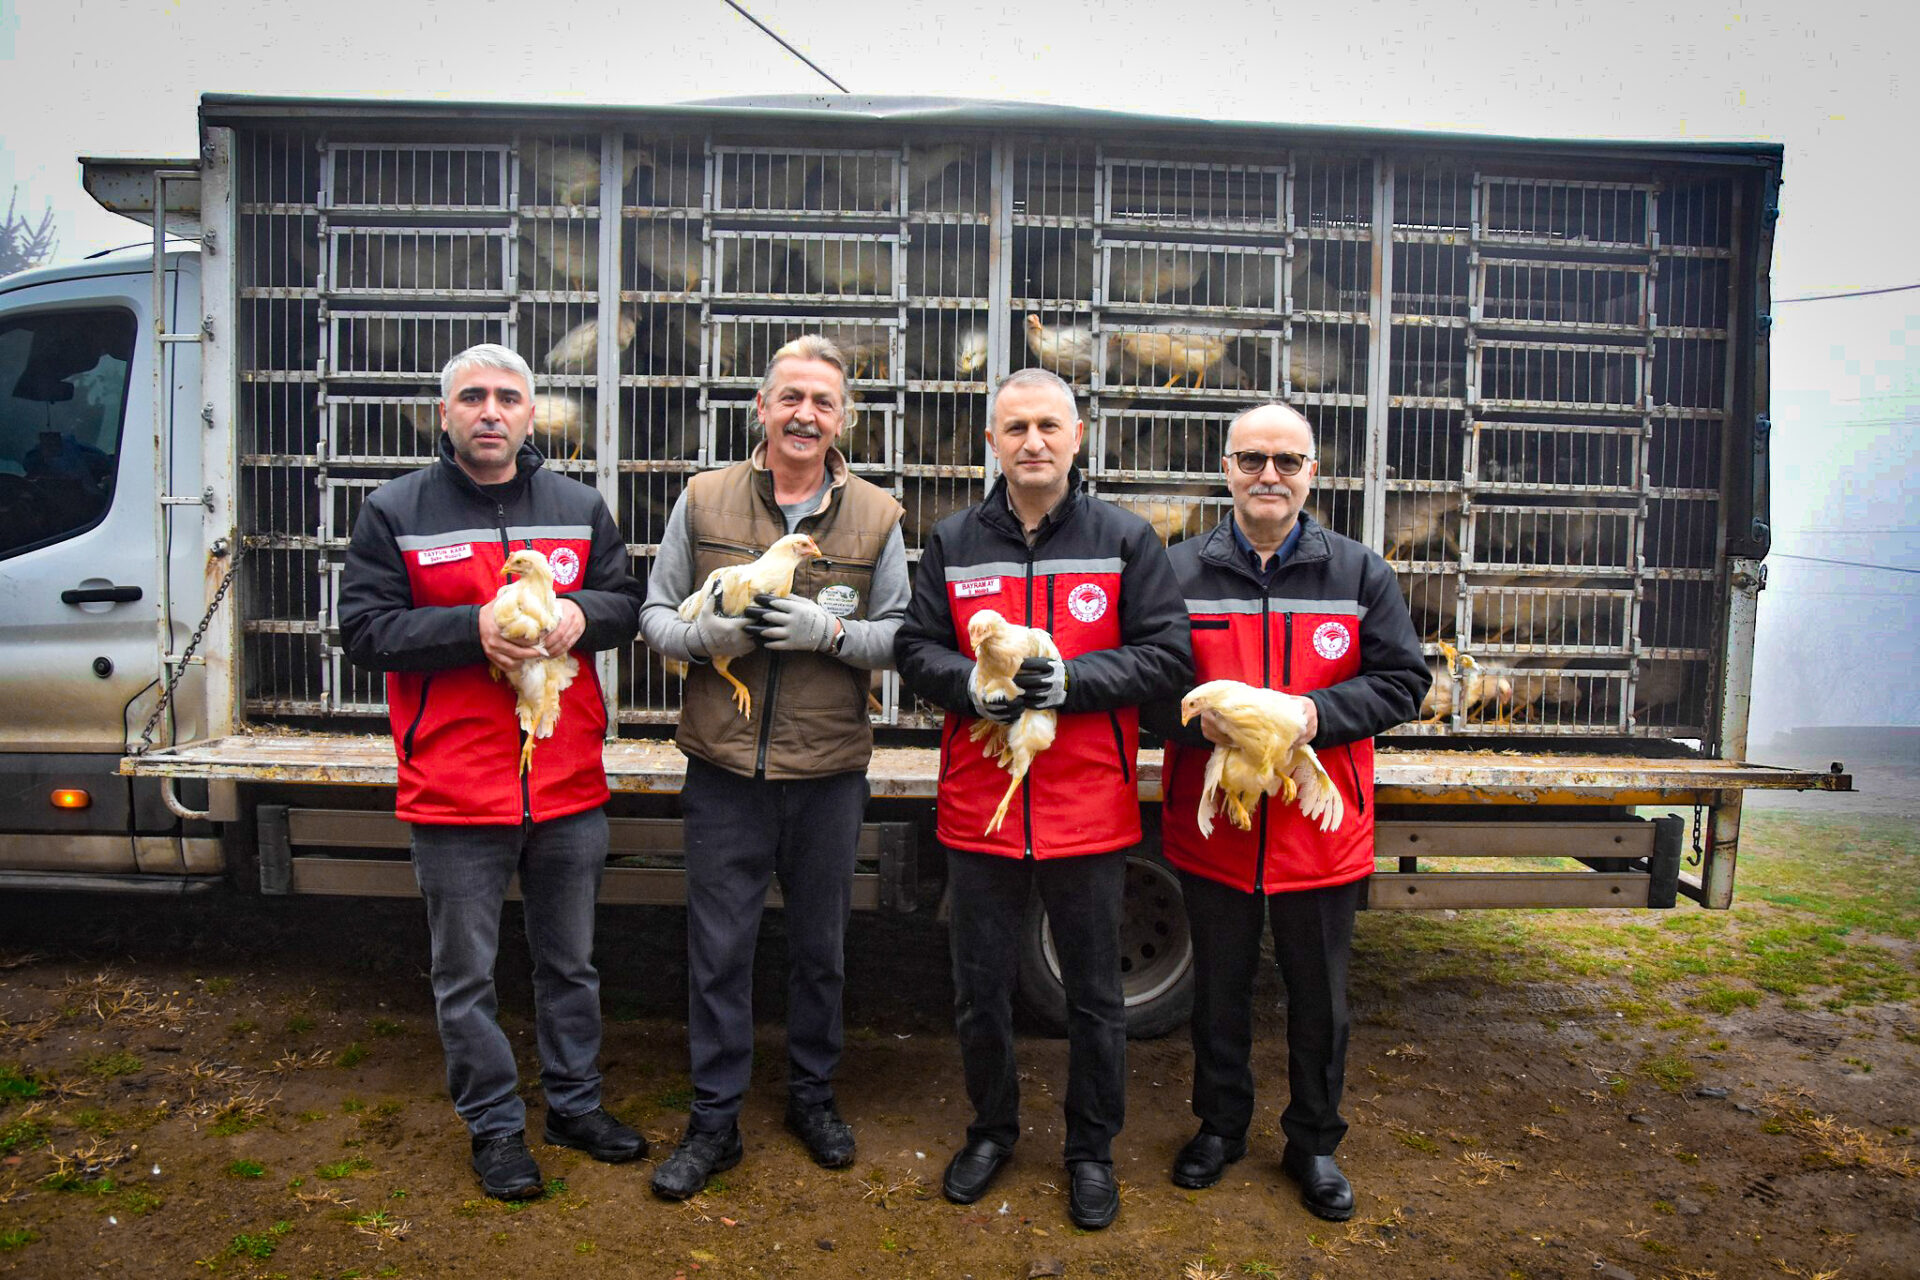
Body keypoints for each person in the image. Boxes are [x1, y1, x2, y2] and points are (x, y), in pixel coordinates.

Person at [338, 343, 647, 1200]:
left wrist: (580, 615)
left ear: (530, 413)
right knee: (465, 976)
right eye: (471, 396)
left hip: (565, 779)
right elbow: (362, 631)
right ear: (445, 414)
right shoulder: (394, 511)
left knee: (571, 963)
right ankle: (496, 1127)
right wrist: (466, 631)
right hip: (454, 786)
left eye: (508, 397)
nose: (490, 411)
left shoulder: (578, 506)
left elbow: (627, 603)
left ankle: (575, 1106)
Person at [894, 367, 1191, 1231]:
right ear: (992, 441)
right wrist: (966, 685)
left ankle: (1090, 1150)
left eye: (1049, 426)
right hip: (981, 807)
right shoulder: (953, 540)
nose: (1033, 442)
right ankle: (990, 1130)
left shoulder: (1126, 539)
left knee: (1095, 996)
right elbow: (916, 648)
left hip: (1086, 808)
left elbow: (1168, 657)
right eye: (1015, 427)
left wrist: (1075, 679)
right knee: (978, 989)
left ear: (1077, 436)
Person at [638, 334, 908, 1199]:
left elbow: (904, 634)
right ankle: (714, 1121)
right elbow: (653, 615)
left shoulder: (878, 514)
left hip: (829, 770)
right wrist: (707, 637)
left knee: (820, 950)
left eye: (823, 403)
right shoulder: (704, 499)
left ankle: (812, 1099)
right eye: (790, 397)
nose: (805, 414)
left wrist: (830, 634)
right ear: (761, 406)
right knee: (719, 951)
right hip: (723, 769)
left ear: (843, 420)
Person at [1147, 402, 1428, 1221]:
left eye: (1288, 461)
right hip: (1219, 833)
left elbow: (1403, 681)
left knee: (1322, 1001)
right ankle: (1220, 1127)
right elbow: (1148, 690)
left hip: (1318, 831)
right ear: (1225, 467)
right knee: (1218, 994)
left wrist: (1310, 717)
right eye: (1252, 459)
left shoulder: (1358, 573)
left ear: (1314, 472)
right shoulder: (1177, 573)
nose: (1269, 475)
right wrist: (1204, 720)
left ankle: (1314, 1143)